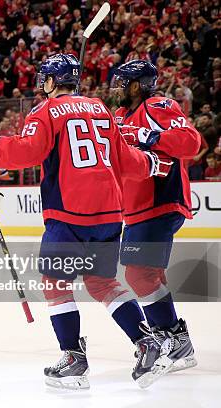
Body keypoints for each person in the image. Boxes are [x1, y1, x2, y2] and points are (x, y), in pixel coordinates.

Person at [0, 54, 173, 389]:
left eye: (45, 79)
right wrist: (150, 164)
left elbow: (28, 151)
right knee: (102, 283)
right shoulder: (100, 107)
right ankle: (146, 342)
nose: (43, 85)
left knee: (55, 284)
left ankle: (73, 357)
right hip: (111, 211)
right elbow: (123, 158)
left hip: (71, 212)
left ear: (53, 82)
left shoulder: (44, 111)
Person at [111, 60, 201, 373]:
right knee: (150, 275)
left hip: (161, 200)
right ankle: (173, 340)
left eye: (121, 83)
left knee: (139, 275)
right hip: (135, 208)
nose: (116, 89)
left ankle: (175, 342)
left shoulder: (159, 106)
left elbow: (191, 143)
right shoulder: (119, 116)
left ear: (136, 86)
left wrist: (149, 135)